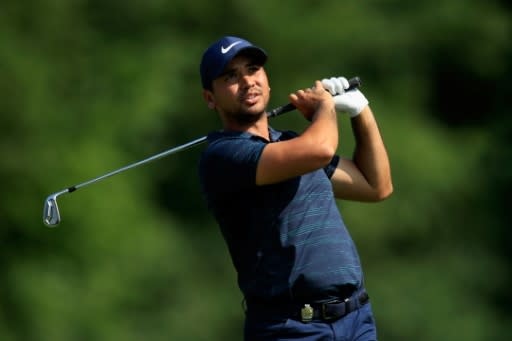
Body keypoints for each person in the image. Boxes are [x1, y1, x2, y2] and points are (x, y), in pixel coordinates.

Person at [198, 36, 392, 341]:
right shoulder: (224, 155)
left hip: (356, 320)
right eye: (231, 76)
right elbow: (320, 149)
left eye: (253, 69)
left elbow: (375, 185)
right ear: (210, 98)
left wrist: (360, 112)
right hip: (291, 329)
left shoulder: (291, 143)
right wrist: (324, 107)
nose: (248, 81)